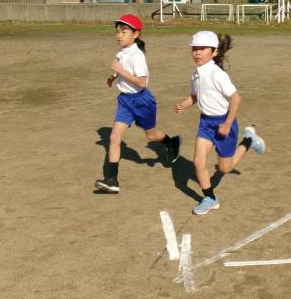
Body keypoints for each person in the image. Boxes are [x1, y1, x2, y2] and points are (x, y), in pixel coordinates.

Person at [174, 30, 265, 216]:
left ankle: (249, 140)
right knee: (198, 161)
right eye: (194, 49)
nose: (197, 52)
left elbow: (236, 99)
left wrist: (227, 124)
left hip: (224, 123)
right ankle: (210, 198)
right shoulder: (196, 74)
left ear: (214, 52)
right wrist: (184, 104)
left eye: (202, 49)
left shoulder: (218, 75)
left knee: (225, 168)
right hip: (206, 124)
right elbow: (194, 96)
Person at [95, 14, 182, 194]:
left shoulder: (137, 55)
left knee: (151, 135)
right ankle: (112, 180)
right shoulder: (121, 53)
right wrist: (113, 77)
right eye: (117, 32)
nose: (119, 35)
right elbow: (120, 69)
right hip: (125, 101)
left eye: (124, 31)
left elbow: (142, 83)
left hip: (142, 100)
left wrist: (119, 71)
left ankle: (171, 142)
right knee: (114, 137)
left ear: (135, 34)